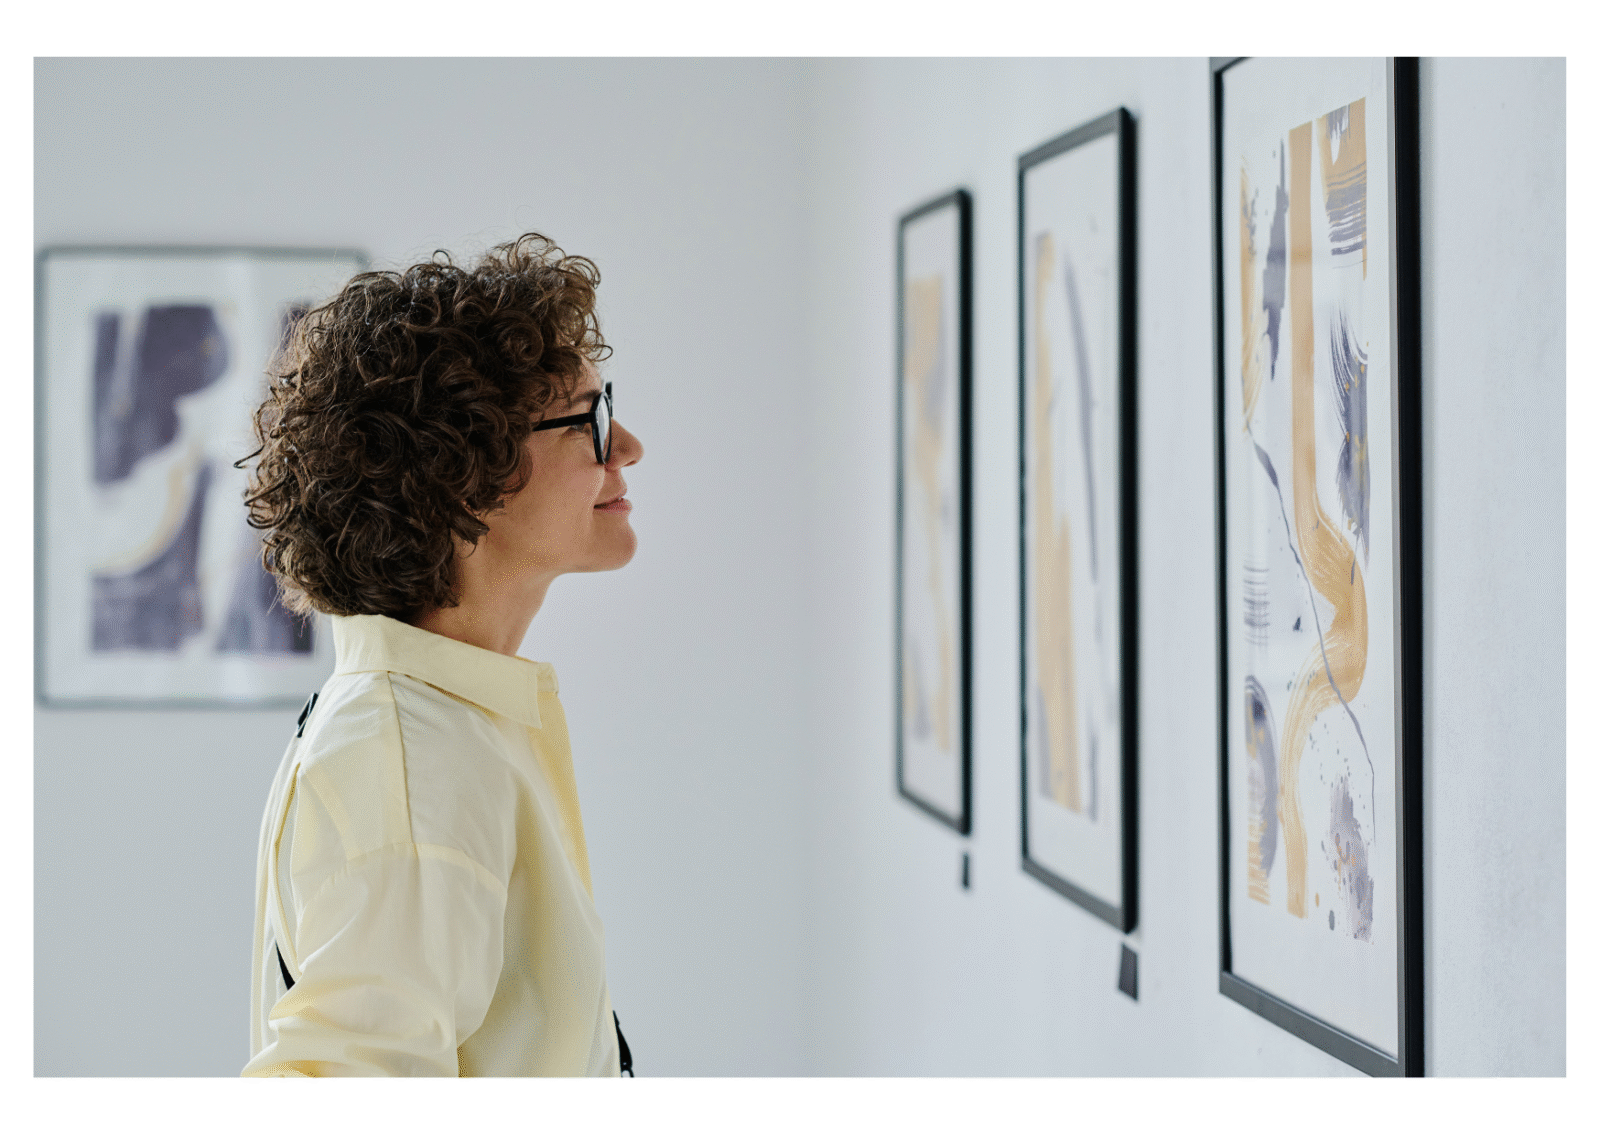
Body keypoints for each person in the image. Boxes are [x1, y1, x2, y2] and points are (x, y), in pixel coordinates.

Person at [238, 233, 643, 1077]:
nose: (627, 445)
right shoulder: (415, 757)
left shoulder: (439, 723)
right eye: (590, 418)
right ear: (464, 472)